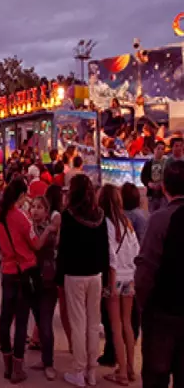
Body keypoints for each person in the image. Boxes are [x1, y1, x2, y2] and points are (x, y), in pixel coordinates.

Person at [0, 178, 50, 383]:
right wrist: (50, 230)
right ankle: (17, 366)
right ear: (20, 196)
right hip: (24, 272)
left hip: (7, 272)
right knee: (22, 320)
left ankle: (7, 363)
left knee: (5, 318)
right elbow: (35, 244)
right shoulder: (21, 218)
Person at [56, 174, 109, 387]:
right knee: (93, 324)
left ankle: (79, 371)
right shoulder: (100, 216)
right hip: (96, 275)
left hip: (74, 275)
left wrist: (59, 276)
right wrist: (104, 275)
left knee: (78, 324)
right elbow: (104, 248)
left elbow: (64, 250)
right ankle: (91, 372)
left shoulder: (68, 216)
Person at [135, 160, 184, 388]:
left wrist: (143, 305)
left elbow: (146, 270)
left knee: (156, 377)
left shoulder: (160, 220)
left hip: (162, 313)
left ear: (164, 187)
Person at [98, 184, 140, 385]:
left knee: (115, 326)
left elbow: (110, 255)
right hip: (129, 276)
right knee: (127, 324)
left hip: (114, 278)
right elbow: (136, 252)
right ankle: (131, 368)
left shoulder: (106, 223)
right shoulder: (127, 223)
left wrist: (111, 281)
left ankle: (121, 371)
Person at [29, 196, 59, 381]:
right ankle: (44, 359)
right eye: (33, 206)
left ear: (46, 212)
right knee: (39, 321)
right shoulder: (28, 227)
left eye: (40, 207)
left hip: (48, 280)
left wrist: (48, 230)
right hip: (33, 280)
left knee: (46, 323)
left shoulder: (52, 231)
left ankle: (49, 363)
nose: (35, 210)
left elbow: (41, 246)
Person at [45, 184, 72, 352]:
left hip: (49, 263)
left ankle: (36, 337)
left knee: (47, 303)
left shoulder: (50, 215)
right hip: (57, 262)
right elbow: (58, 241)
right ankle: (71, 342)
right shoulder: (58, 217)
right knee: (62, 305)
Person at [141, 141, 167, 212]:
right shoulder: (149, 162)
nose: (160, 151)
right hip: (152, 194)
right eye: (158, 148)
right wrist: (149, 184)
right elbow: (143, 177)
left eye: (162, 149)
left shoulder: (167, 163)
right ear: (154, 149)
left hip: (163, 195)